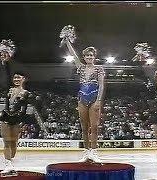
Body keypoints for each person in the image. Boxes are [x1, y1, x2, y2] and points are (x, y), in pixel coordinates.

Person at [61, 26, 105, 163]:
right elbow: (74, 54)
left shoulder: (99, 69)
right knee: (84, 127)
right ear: (84, 57)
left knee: (95, 126)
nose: (89, 57)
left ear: (94, 57)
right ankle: (86, 152)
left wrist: (98, 100)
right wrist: (67, 41)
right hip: (82, 98)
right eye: (87, 55)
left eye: (91, 55)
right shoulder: (80, 67)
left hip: (94, 98)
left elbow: (102, 85)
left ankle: (94, 152)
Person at [0, 39, 32, 177]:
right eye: (15, 77)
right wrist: (6, 62)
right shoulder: (9, 88)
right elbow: (7, 73)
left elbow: (25, 109)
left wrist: (23, 121)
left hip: (17, 119)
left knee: (14, 143)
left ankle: (11, 162)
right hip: (6, 117)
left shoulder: (26, 93)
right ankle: (8, 164)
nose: (16, 79)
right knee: (6, 142)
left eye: (19, 77)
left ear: (24, 79)